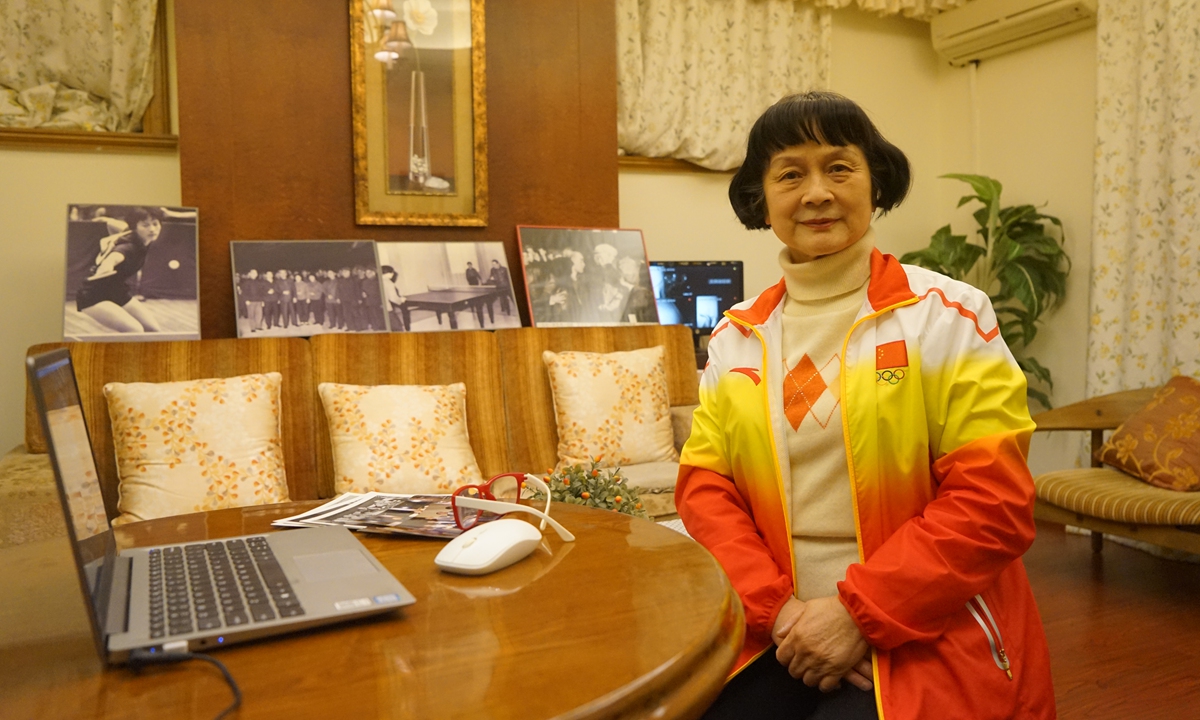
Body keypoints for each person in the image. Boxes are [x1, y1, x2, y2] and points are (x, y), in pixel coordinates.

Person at [678, 92, 1054, 720]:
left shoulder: (948, 315)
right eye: (791, 173)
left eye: (840, 167)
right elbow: (706, 489)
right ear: (761, 197)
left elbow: (993, 500)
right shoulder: (736, 335)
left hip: (925, 626)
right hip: (777, 628)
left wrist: (857, 614)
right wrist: (784, 616)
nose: (817, 191)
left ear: (875, 181)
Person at [74, 206, 164, 333]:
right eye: (146, 225)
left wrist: (104, 219)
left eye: (155, 224)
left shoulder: (135, 234)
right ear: (135, 227)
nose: (152, 229)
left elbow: (114, 224)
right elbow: (113, 258)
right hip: (93, 295)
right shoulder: (129, 248)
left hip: (117, 291)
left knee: (154, 330)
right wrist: (105, 268)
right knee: (135, 330)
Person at [380, 265, 407, 331]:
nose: (393, 274)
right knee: (398, 328)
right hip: (387, 309)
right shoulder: (388, 283)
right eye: (392, 272)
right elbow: (393, 298)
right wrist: (401, 300)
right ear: (388, 273)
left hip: (378, 309)